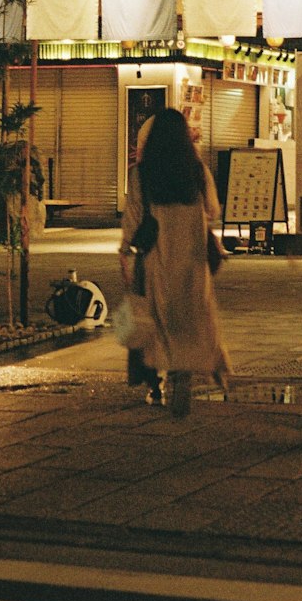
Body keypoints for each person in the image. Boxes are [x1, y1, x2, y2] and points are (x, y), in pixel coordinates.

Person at [118, 108, 229, 416]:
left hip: (157, 258)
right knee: (189, 318)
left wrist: (125, 250)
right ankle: (183, 373)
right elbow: (213, 209)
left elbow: (133, 216)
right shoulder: (197, 170)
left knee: (153, 318)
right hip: (193, 261)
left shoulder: (141, 174)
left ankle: (154, 383)